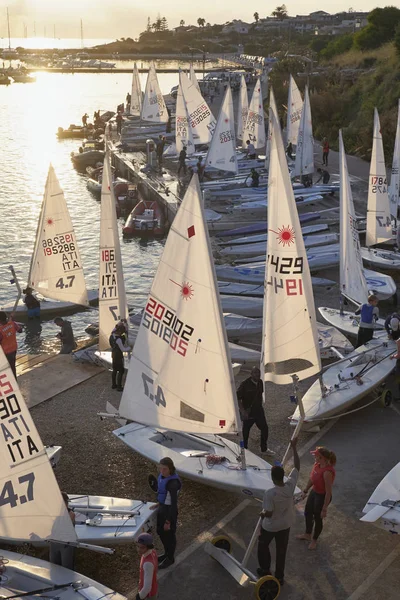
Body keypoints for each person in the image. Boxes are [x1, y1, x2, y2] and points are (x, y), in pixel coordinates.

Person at [258, 438, 300, 585]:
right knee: (281, 551)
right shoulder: (290, 486)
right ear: (283, 476)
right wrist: (294, 447)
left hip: (271, 526)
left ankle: (265, 570)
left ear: (272, 478)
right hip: (285, 525)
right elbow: (297, 467)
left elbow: (268, 513)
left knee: (263, 545)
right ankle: (280, 577)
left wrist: (262, 514)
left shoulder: (269, 493)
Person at [296, 446, 336, 550]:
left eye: (316, 455)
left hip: (322, 496)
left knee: (318, 519)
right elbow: (312, 479)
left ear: (322, 458)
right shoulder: (317, 465)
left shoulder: (327, 472)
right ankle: (307, 534)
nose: (314, 456)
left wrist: (324, 509)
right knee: (308, 513)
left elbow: (328, 492)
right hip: (315, 492)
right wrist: (305, 490)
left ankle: (314, 540)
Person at [150, 457, 181, 569]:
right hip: (163, 508)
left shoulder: (173, 484)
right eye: (160, 468)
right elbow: (164, 496)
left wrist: (168, 521)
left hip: (170, 512)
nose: (162, 471)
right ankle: (166, 554)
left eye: (165, 469)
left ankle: (170, 559)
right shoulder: (162, 477)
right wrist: (159, 503)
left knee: (169, 536)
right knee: (160, 532)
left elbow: (173, 504)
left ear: (170, 469)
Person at [237, 367, 274, 455]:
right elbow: (237, 398)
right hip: (248, 413)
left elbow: (260, 395)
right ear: (251, 374)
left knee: (265, 428)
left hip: (259, 411)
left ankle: (264, 449)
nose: (257, 375)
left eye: (258, 373)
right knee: (245, 432)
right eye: (255, 373)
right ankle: (244, 449)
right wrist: (242, 411)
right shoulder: (245, 384)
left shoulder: (260, 382)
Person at [49, 492, 75, 569]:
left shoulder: (71, 514)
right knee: (54, 567)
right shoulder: (53, 513)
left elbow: (63, 527)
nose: (66, 504)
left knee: (66, 568)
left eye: (66, 503)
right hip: (54, 543)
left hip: (66, 544)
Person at [135, 533, 158, 600]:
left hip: (148, 595)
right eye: (138, 546)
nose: (139, 549)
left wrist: (139, 597)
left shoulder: (147, 564)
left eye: (142, 547)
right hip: (154, 588)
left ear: (148, 547)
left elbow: (147, 587)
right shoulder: (152, 552)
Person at [109, 321, 131, 391]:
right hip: (118, 355)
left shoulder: (112, 335)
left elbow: (115, 328)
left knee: (114, 370)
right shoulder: (119, 339)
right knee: (121, 371)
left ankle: (113, 384)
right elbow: (123, 349)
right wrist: (129, 348)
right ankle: (119, 386)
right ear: (119, 331)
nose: (122, 333)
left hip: (113, 354)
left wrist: (121, 322)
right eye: (122, 332)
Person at [0, 311, 22, 377]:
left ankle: (10, 382)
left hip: (5, 352)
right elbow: (20, 330)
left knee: (5, 369)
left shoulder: (0, 330)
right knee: (12, 367)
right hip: (13, 349)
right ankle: (14, 380)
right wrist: (14, 321)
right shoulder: (12, 324)